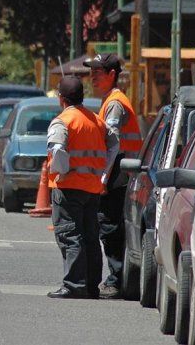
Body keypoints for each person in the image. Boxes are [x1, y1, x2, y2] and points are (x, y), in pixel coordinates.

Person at [47, 76, 119, 299]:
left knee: (70, 235)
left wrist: (62, 171)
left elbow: (58, 150)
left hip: (68, 187)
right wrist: (103, 171)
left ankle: (74, 285)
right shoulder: (95, 120)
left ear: (61, 98)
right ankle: (90, 285)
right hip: (92, 188)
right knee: (90, 236)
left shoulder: (63, 121)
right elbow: (114, 143)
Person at [84, 53, 144, 299]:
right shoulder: (110, 100)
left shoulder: (115, 103)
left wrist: (102, 178)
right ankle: (118, 278)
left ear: (112, 75)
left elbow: (113, 144)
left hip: (118, 171)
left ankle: (117, 280)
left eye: (97, 73)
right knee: (111, 225)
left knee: (110, 227)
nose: (92, 77)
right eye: (91, 73)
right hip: (120, 169)